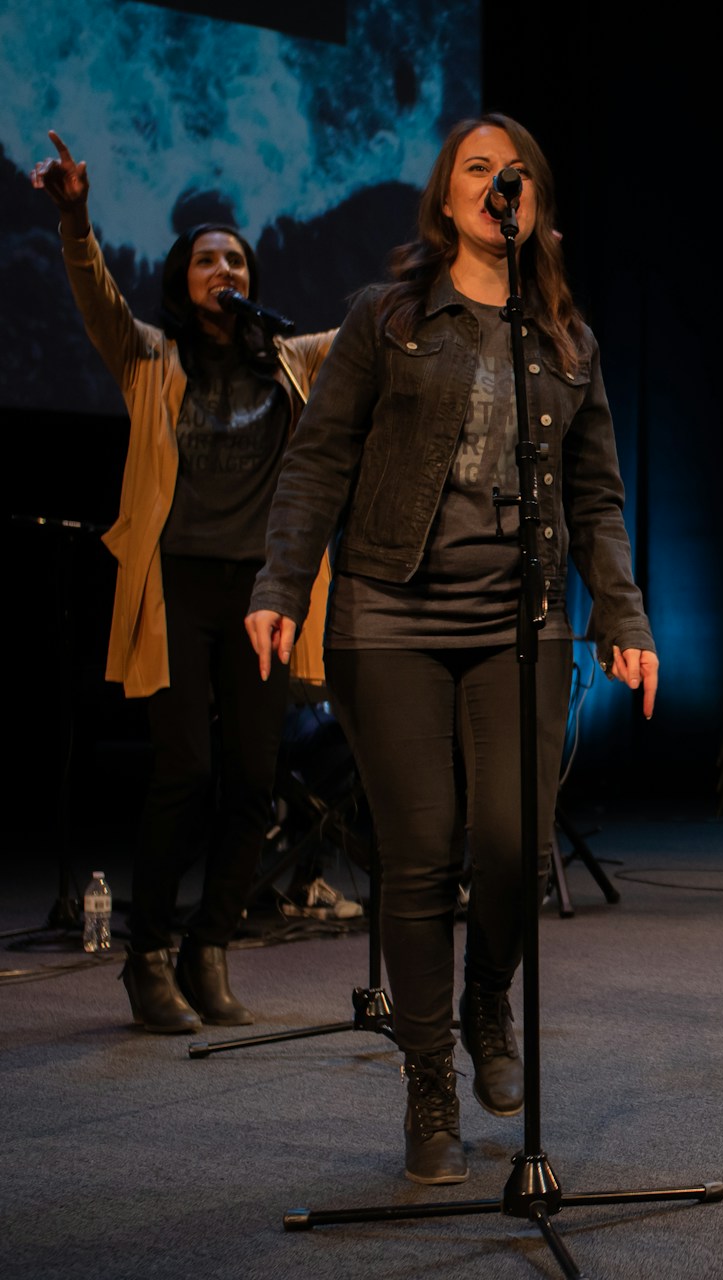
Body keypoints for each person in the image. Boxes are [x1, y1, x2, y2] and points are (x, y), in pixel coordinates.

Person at [244, 114, 658, 1185]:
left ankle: (486, 1007)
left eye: (512, 169)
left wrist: (623, 614)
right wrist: (281, 581)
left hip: (521, 619)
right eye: (475, 167)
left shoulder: (567, 342)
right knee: (420, 854)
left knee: (518, 847)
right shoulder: (385, 319)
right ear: (446, 200)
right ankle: (429, 1073)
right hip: (389, 612)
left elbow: (599, 495)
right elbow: (318, 460)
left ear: (536, 206)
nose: (495, 181)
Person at [30, 130, 338, 1035]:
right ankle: (148, 958)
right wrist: (78, 218)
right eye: (207, 258)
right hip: (176, 591)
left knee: (254, 780)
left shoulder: (288, 361)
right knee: (185, 770)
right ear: (184, 275)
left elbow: (365, 331)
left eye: (235, 257)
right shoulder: (151, 358)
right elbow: (97, 298)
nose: (222, 267)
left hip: (263, 599)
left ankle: (211, 947)